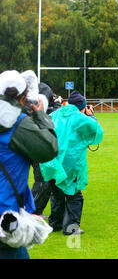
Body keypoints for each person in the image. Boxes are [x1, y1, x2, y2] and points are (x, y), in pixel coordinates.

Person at [0, 70, 58, 259]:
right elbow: (49, 149)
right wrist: (40, 115)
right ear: (22, 98)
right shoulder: (17, 123)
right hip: (5, 217)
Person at [40, 91, 103, 236]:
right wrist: (91, 115)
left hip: (52, 162)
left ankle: (55, 224)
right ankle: (71, 227)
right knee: (74, 196)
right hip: (71, 163)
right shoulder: (80, 117)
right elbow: (96, 131)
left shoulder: (55, 114)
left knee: (56, 193)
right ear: (83, 106)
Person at [31, 82, 63, 219]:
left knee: (46, 182)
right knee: (42, 181)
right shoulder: (39, 109)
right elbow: (50, 120)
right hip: (38, 148)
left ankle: (36, 210)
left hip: (38, 147)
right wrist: (57, 105)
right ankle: (33, 211)